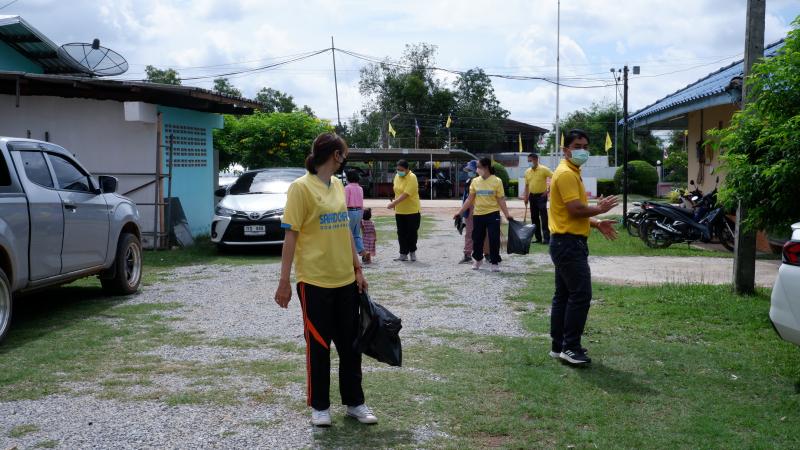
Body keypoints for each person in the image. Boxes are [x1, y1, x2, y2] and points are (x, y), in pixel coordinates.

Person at [274, 132, 377, 427]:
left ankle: (355, 403)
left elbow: (345, 230)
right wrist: (284, 281)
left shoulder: (338, 185)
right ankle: (320, 407)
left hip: (344, 280)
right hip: (314, 282)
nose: (345, 158)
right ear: (335, 155)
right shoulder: (300, 188)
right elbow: (291, 236)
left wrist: (358, 269)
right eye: (343, 153)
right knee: (319, 346)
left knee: (350, 346)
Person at [548, 129, 619, 366]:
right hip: (568, 244)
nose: (583, 151)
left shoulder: (571, 171)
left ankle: (559, 345)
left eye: (586, 147)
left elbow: (570, 213)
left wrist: (597, 223)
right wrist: (600, 209)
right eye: (577, 146)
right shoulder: (566, 173)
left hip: (565, 242)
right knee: (580, 295)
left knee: (564, 295)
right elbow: (575, 210)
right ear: (565, 149)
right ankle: (570, 347)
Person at [453, 157, 513, 272]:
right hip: (478, 214)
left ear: (486, 167)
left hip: (493, 214)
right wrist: (459, 212)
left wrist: (507, 214)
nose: (477, 170)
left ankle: (494, 262)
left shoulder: (497, 181)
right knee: (477, 239)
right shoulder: (475, 181)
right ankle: (478, 259)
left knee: (494, 238)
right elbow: (469, 199)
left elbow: (501, 199)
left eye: (479, 167)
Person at [387, 160, 421, 262]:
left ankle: (412, 252)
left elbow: (406, 194)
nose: (399, 171)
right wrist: (395, 204)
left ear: (407, 169)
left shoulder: (412, 177)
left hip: (412, 210)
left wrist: (394, 203)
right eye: (397, 169)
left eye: (401, 170)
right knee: (401, 233)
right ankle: (403, 254)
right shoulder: (397, 177)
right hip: (400, 211)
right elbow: (397, 191)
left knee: (412, 233)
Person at [458, 160, 489, 264]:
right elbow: (465, 198)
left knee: (484, 233)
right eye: (468, 170)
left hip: (481, 209)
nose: (469, 172)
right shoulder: (468, 181)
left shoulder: (483, 181)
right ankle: (467, 255)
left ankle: (487, 254)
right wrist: (463, 214)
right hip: (469, 210)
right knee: (469, 233)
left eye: (471, 170)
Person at [522, 152, 553, 244]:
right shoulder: (527, 172)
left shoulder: (544, 169)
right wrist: (526, 197)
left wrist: (548, 190)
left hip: (541, 196)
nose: (529, 163)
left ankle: (546, 238)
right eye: (528, 161)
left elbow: (555, 177)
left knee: (544, 217)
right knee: (534, 217)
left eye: (530, 161)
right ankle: (538, 238)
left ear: (536, 160)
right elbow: (526, 186)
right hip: (532, 197)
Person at [345, 170, 365, 257]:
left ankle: (349, 254)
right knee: (356, 235)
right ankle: (363, 252)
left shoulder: (347, 188)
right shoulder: (360, 188)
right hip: (359, 212)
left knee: (347, 234)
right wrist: (361, 217)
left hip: (350, 212)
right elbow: (362, 203)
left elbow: (345, 202)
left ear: (348, 178)